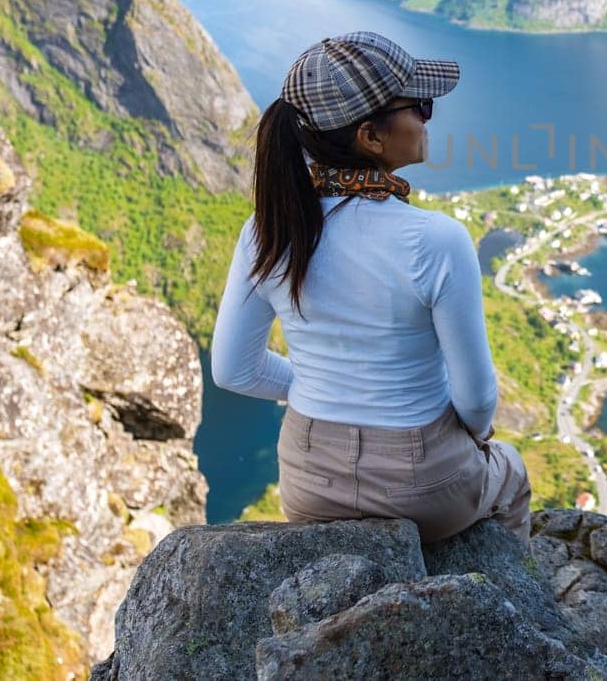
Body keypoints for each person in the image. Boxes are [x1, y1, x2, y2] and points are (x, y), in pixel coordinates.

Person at [210, 31, 531, 548]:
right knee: (510, 473)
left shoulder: (268, 229)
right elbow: (477, 402)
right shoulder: (436, 238)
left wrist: (324, 383)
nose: (428, 117)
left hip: (308, 482)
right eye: (420, 106)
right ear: (371, 137)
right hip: (425, 486)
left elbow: (233, 371)